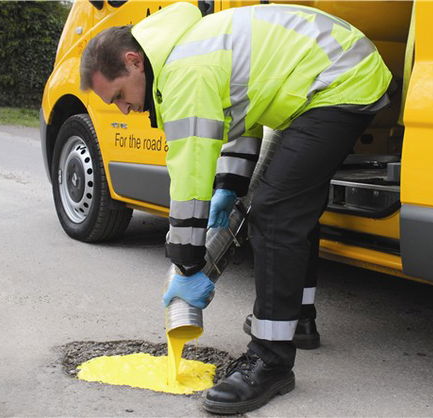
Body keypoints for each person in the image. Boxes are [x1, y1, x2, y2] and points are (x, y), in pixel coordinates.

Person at [80, 2, 391, 414]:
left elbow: (190, 177)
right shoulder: (190, 49)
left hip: (337, 81)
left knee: (276, 212)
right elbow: (241, 116)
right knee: (291, 202)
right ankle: (296, 319)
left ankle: (271, 361)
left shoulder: (183, 71)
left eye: (118, 95)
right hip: (332, 74)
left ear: (134, 62)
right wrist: (229, 188)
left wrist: (187, 261)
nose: (123, 109)